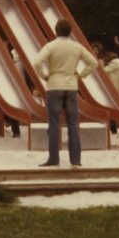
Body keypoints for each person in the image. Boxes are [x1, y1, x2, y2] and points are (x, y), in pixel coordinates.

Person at [31, 19, 97, 167]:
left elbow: (37, 62)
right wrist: (81, 75)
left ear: (56, 31)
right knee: (73, 124)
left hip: (54, 85)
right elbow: (93, 62)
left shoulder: (51, 46)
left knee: (54, 123)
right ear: (70, 31)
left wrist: (44, 75)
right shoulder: (77, 47)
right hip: (71, 86)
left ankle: (53, 159)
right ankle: (75, 160)